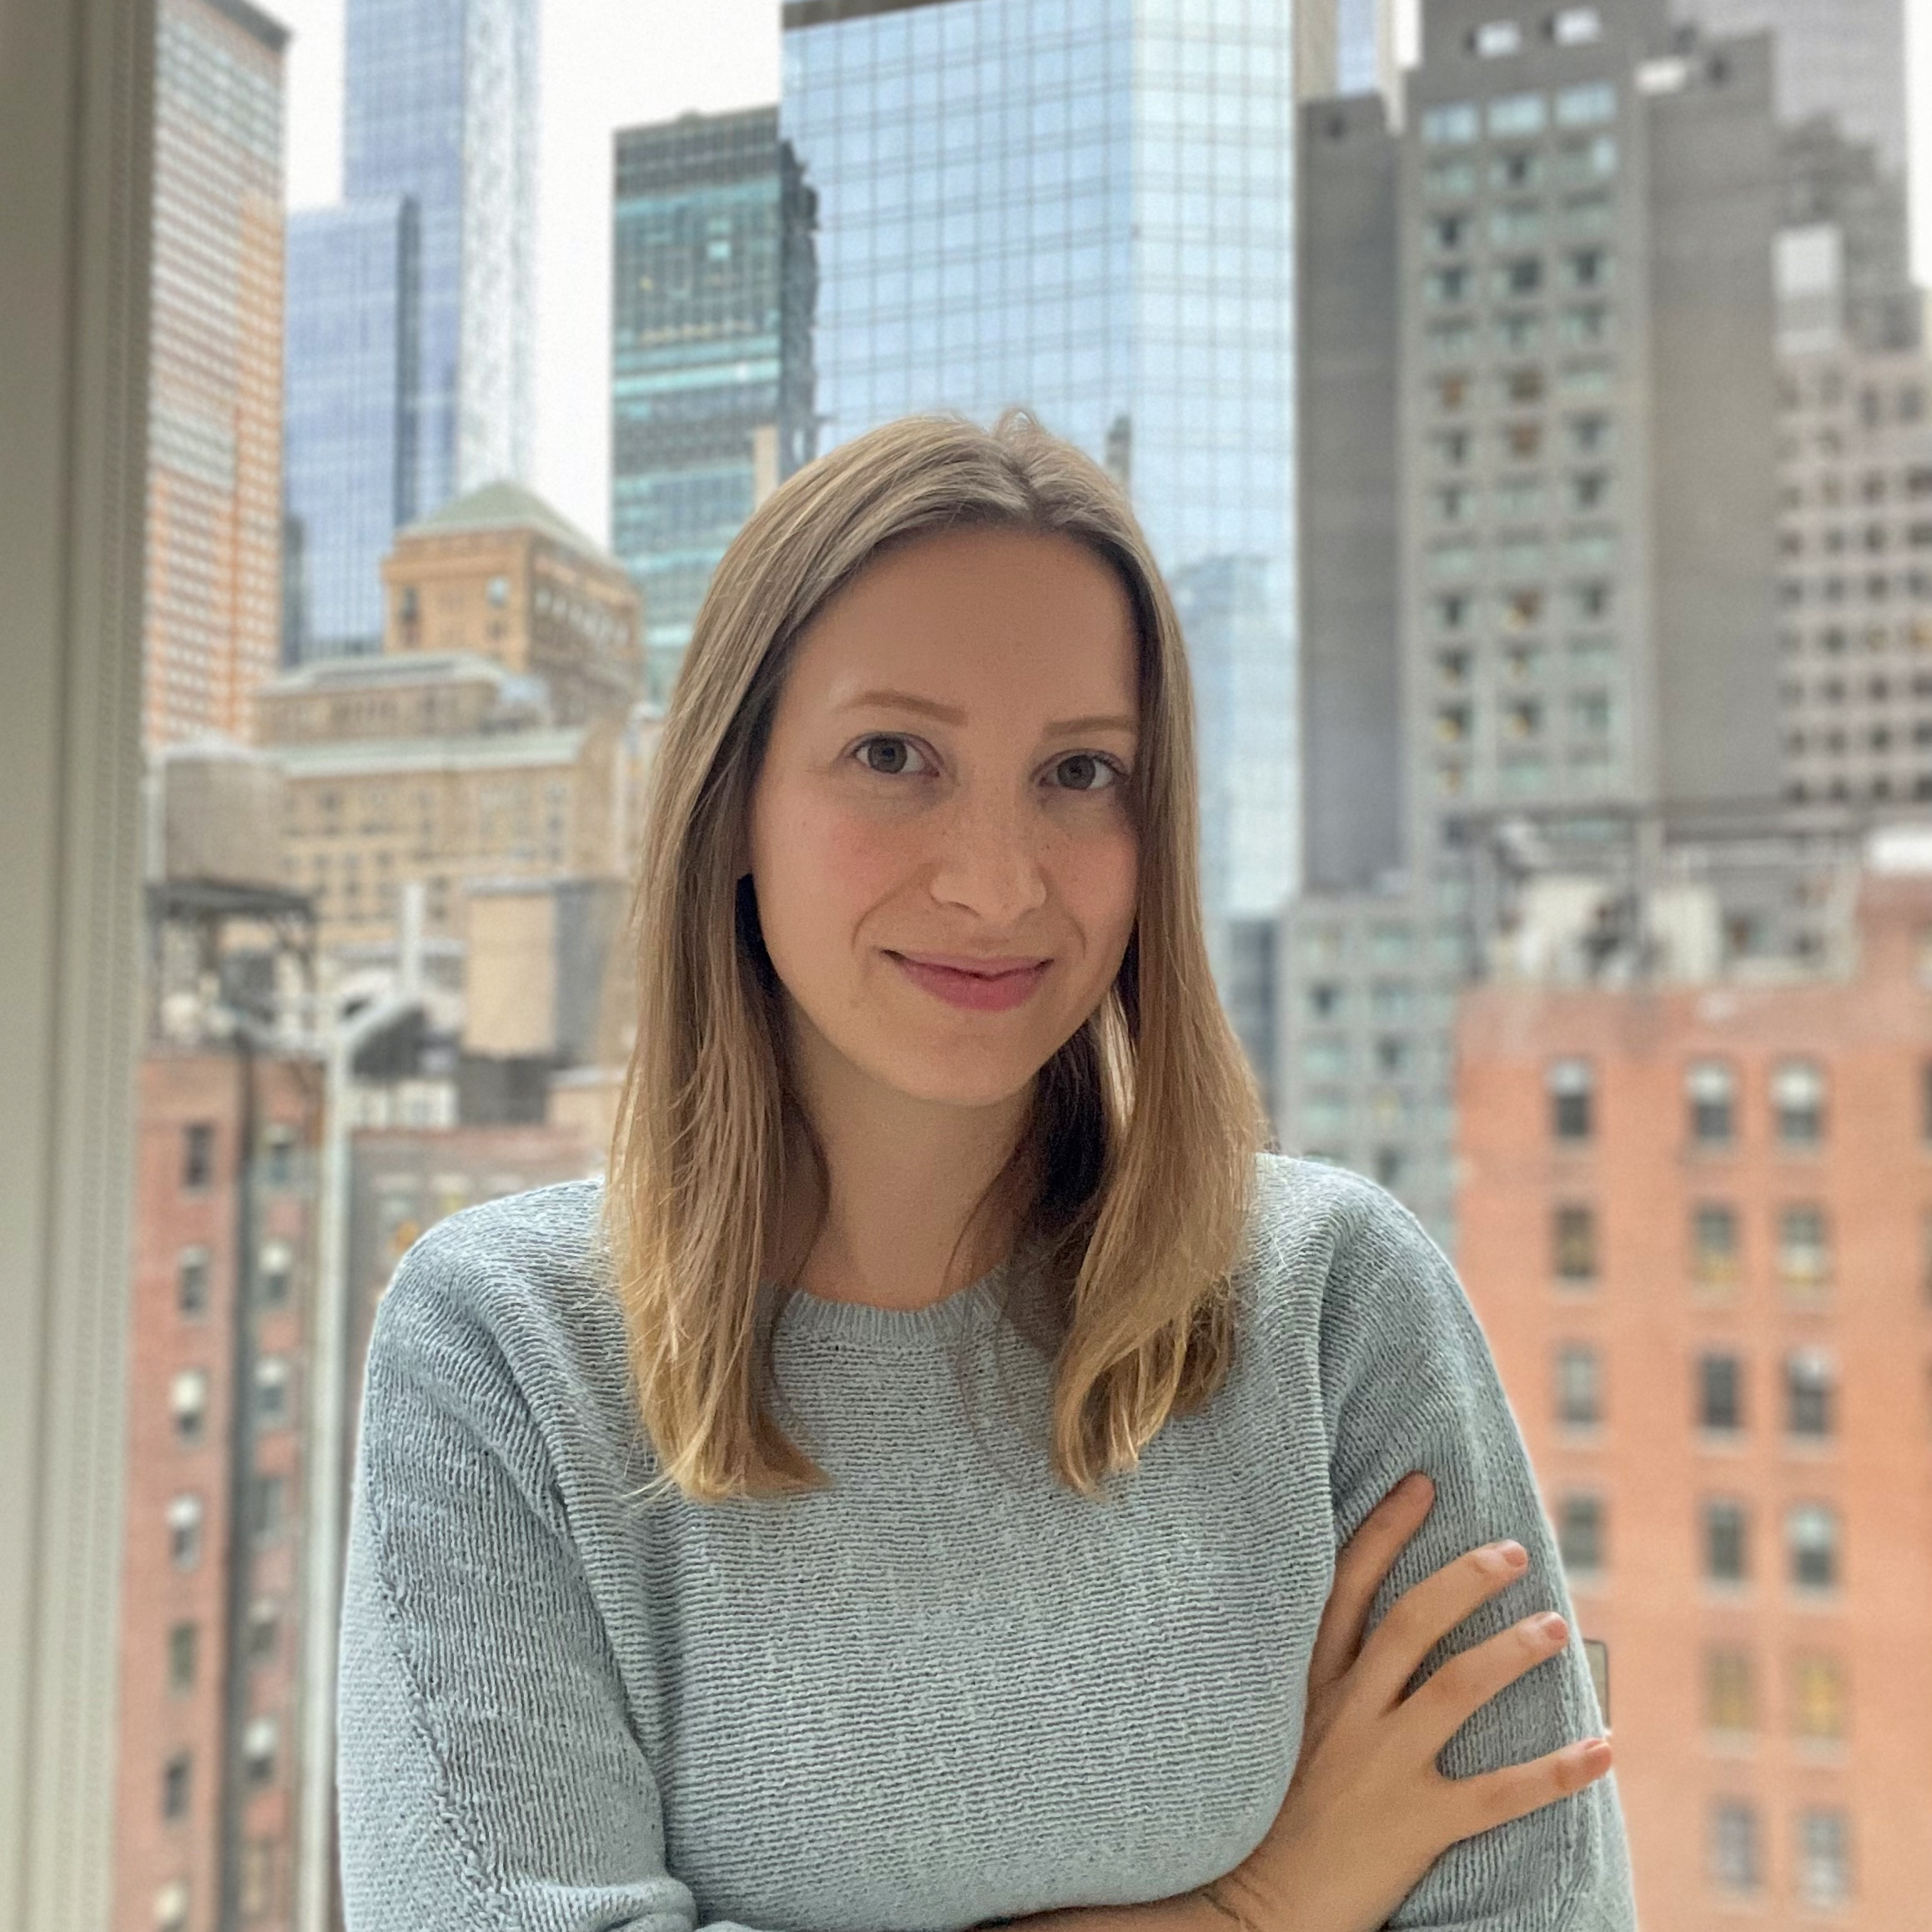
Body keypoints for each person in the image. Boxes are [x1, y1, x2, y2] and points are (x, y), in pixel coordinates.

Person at [336, 410, 1635, 1932]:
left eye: (1082, 772)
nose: (998, 881)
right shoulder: (503, 1347)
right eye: (895, 756)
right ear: (733, 798)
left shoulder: (1332, 1300)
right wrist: (1257, 1912)